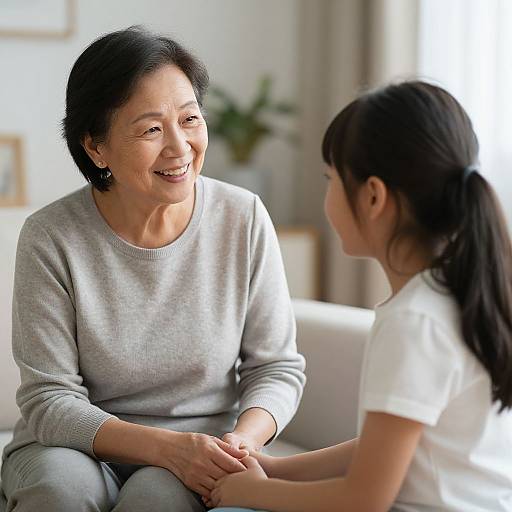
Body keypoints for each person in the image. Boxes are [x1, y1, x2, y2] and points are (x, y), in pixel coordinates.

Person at [0, 26, 305, 512]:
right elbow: (49, 399)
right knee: (61, 490)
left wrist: (241, 442)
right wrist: (167, 448)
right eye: (151, 129)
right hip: (71, 446)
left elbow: (277, 367)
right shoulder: (51, 236)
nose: (180, 147)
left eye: (190, 119)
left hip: (202, 446)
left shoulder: (242, 217)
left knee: (156, 499)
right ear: (96, 147)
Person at [207, 81, 512, 511]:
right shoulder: (454, 297)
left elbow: (364, 498)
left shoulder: (414, 322)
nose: (327, 195)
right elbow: (384, 448)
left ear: (372, 196)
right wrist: (275, 470)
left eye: (332, 179)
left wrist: (253, 491)